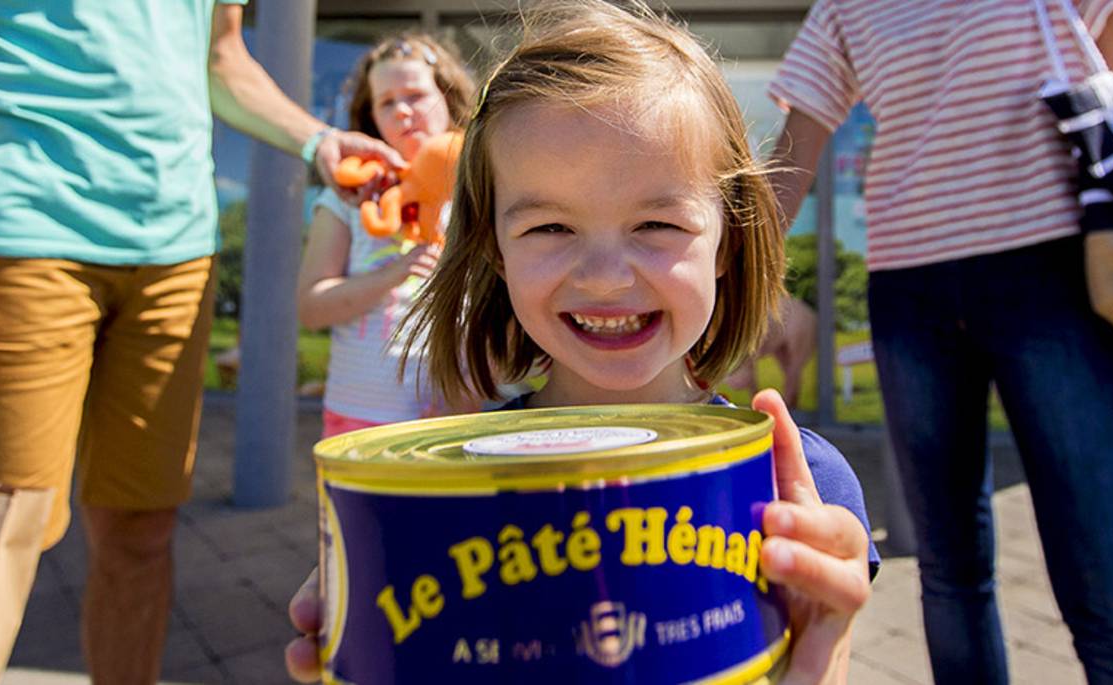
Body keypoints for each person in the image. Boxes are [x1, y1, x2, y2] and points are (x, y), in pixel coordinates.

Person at [283, 2, 879, 681]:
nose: (603, 278)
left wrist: (820, 648)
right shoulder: (457, 488)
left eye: (656, 223)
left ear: (727, 241)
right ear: (496, 252)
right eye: (550, 229)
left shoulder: (801, 486)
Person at [0, 1, 401, 681]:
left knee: (142, 533)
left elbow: (221, 57)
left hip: (176, 250)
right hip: (15, 231)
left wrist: (318, 140)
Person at [765, 1, 1113, 682]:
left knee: (1107, 586)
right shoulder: (847, 6)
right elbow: (797, 147)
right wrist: (727, 278)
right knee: (948, 570)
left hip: (1051, 284)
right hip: (909, 293)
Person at [297, 34, 477, 437]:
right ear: (371, 117)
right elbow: (311, 310)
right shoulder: (346, 197)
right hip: (358, 417)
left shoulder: (482, 192)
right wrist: (395, 273)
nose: (402, 112)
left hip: (458, 417)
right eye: (387, 102)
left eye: (415, 95)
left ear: (447, 97)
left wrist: (465, 397)